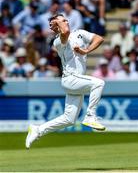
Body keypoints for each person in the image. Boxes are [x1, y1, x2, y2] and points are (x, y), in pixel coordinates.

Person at [26, 13, 105, 149]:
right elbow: (66, 32)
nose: (65, 22)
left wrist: (85, 50)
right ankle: (90, 116)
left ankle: (38, 130)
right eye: (60, 22)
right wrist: (56, 23)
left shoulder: (80, 32)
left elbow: (99, 39)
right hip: (70, 78)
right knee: (99, 83)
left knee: (69, 119)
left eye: (64, 20)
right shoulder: (57, 41)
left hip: (77, 80)